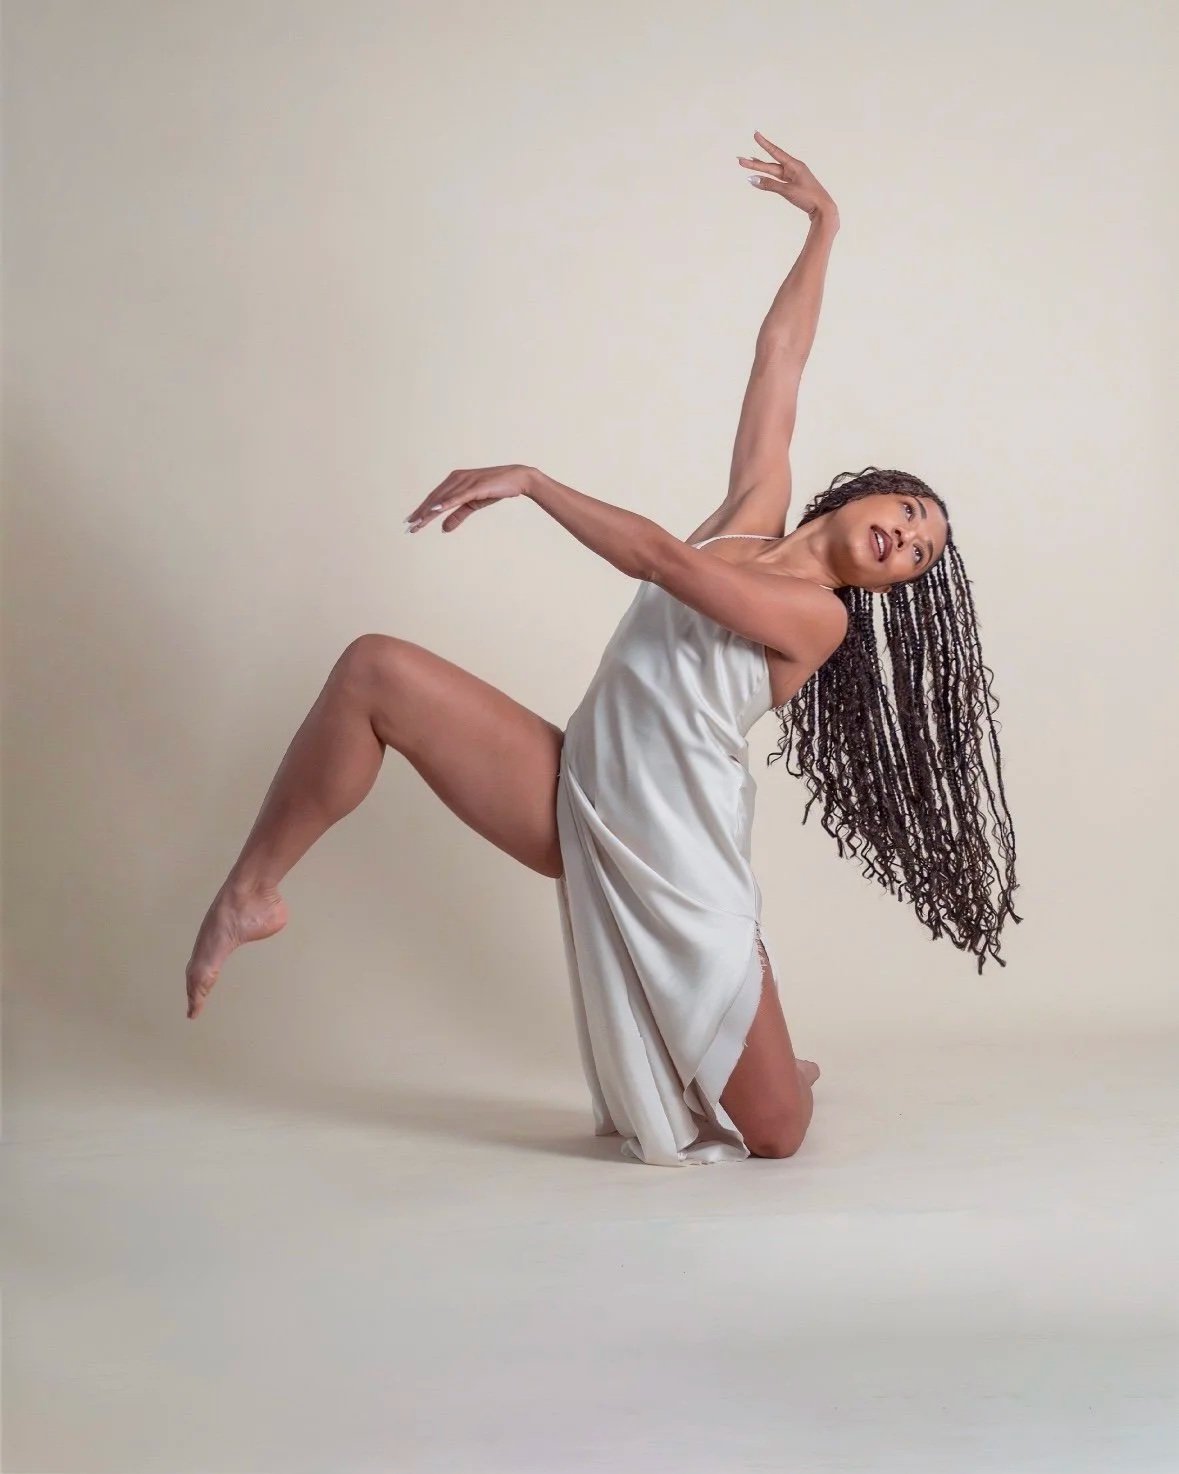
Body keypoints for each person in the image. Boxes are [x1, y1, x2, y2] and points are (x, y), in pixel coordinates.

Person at [184, 134, 1020, 1167]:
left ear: (894, 588)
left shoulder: (821, 621)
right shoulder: (754, 507)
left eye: (920, 554)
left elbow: (670, 564)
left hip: (679, 855)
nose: (907, 539)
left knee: (777, 1133)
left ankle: (779, 1057)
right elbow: (780, 360)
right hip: (580, 790)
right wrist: (824, 226)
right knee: (372, 671)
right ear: (866, 495)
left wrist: (534, 481)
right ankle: (250, 892)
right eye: (909, 512)